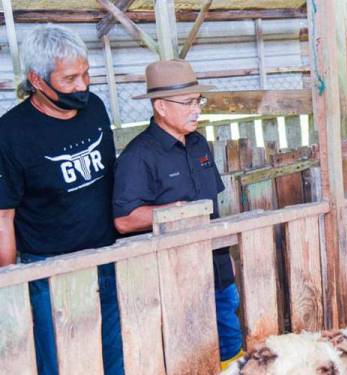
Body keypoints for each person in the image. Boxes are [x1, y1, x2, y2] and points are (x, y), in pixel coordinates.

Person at [0, 24, 124, 375]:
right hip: (49, 270)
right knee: (58, 359)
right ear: (37, 80)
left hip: (107, 255)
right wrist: (11, 286)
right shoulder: (9, 135)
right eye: (69, 79)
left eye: (86, 74)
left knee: (115, 351)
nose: (82, 86)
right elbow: (3, 217)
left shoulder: (95, 108)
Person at [112, 59, 243, 368]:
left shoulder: (199, 144)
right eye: (187, 103)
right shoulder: (137, 156)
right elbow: (124, 220)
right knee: (185, 352)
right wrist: (169, 213)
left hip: (217, 269)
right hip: (171, 278)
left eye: (198, 100)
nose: (196, 109)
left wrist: (228, 258)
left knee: (229, 344)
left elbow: (214, 207)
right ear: (161, 106)